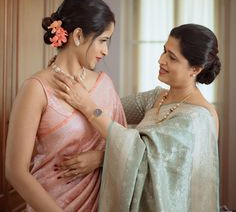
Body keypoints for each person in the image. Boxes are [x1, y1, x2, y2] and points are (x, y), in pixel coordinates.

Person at [53, 23, 221, 212]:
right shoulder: (155, 98)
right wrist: (69, 71)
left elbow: (162, 169)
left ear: (195, 70)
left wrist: (102, 156)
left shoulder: (200, 118)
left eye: (172, 58)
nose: (161, 60)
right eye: (164, 51)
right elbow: (111, 109)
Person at [5, 0, 126, 212]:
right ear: (78, 36)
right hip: (51, 203)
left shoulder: (104, 84)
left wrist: (100, 158)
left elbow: (124, 145)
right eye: (103, 40)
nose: (106, 51)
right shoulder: (36, 89)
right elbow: (15, 170)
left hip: (101, 204)